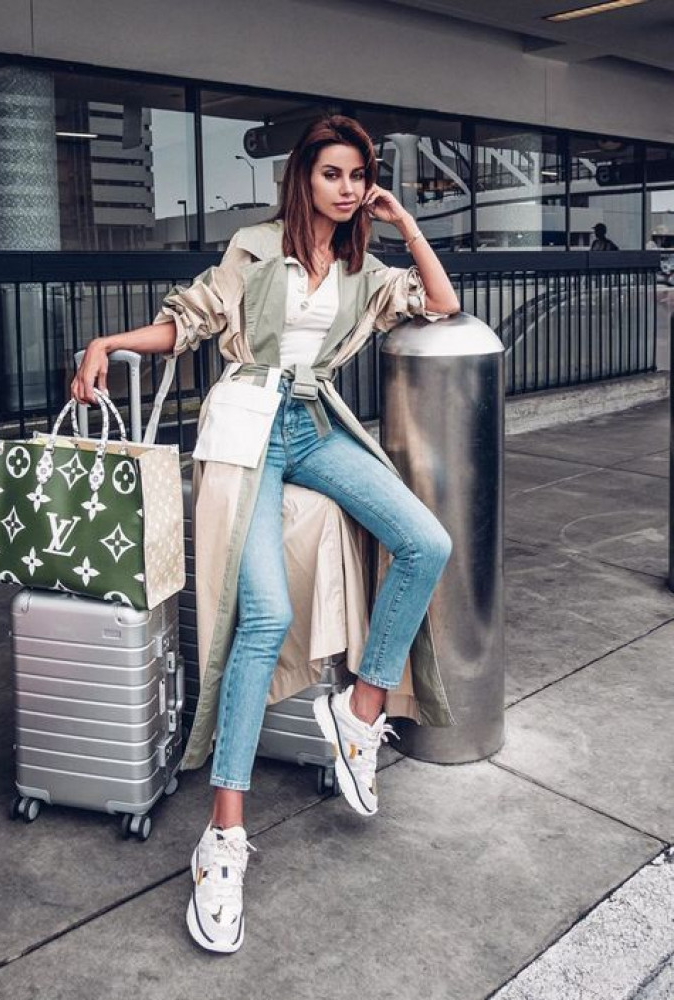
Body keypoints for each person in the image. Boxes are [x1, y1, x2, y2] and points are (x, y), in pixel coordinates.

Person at [71, 115, 461, 954]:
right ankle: (221, 839)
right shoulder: (253, 247)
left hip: (314, 427)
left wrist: (407, 223)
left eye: (360, 175)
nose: (349, 187)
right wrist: (108, 339)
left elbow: (442, 302)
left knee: (426, 543)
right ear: (304, 180)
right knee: (264, 619)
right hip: (245, 431)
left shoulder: (364, 265)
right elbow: (190, 323)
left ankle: (361, 716)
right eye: (334, 174)